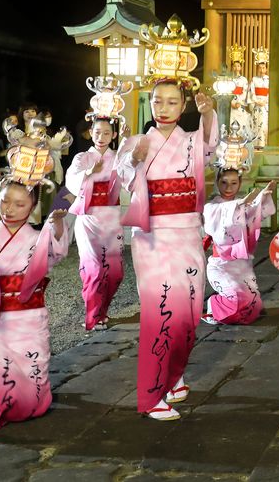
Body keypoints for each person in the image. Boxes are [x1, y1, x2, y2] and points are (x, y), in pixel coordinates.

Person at [114, 76, 217, 421]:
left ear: (183, 105)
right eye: (158, 101)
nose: (164, 108)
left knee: (188, 314)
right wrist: (134, 159)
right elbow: (122, 173)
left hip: (187, 232)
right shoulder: (138, 141)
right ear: (150, 103)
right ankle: (151, 394)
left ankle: (173, 375)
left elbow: (211, 145)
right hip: (154, 236)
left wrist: (209, 113)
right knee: (161, 313)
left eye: (173, 102)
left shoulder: (191, 140)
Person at [0, 177, 71, 431]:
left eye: (19, 204)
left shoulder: (37, 238)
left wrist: (57, 224)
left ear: (32, 207)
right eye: (5, 201)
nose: (9, 209)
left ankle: (32, 405)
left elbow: (57, 255)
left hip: (29, 316)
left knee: (32, 370)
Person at [65, 116, 125, 331]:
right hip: (88, 217)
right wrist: (89, 172)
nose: (101, 137)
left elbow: (130, 177)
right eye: (97, 132)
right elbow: (71, 180)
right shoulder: (83, 157)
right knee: (95, 269)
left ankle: (102, 310)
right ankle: (92, 317)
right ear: (91, 133)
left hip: (111, 217)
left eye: (107, 133)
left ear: (114, 135)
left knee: (115, 271)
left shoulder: (117, 158)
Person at [202, 170, 275, 326]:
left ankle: (240, 307)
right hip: (220, 264)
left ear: (240, 183)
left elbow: (254, 212)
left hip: (240, 264)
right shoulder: (212, 207)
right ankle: (212, 307)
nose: (229, 187)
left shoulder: (241, 204)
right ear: (217, 182)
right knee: (235, 298)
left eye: (234, 183)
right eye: (224, 182)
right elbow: (226, 211)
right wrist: (239, 204)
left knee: (252, 306)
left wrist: (263, 197)